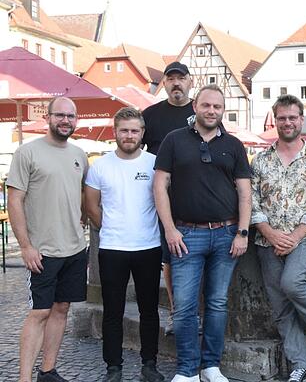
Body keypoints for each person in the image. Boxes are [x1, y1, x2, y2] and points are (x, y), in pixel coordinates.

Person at [153, 85, 252, 382]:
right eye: (206, 106)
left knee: (218, 303)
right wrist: (170, 229)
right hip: (185, 235)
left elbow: (245, 192)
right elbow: (160, 186)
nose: (211, 111)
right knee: (184, 306)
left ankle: (211, 367)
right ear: (195, 106)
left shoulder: (233, 145)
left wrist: (243, 233)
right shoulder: (174, 141)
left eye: (217, 107)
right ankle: (186, 370)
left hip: (226, 234)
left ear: (223, 110)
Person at [251, 94, 306, 382]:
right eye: (282, 117)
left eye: (292, 117)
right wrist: (271, 235)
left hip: (305, 237)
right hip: (267, 241)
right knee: (280, 306)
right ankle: (301, 364)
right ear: (275, 120)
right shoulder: (260, 161)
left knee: (292, 282)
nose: (287, 122)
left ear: (301, 120)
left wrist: (294, 237)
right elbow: (252, 202)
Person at [7, 97, 89, 382]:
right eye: (60, 115)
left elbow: (80, 196)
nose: (65, 120)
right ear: (48, 118)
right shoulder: (27, 153)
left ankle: (48, 371)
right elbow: (14, 201)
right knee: (39, 312)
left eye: (71, 116)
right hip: (42, 251)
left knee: (62, 308)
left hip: (75, 248)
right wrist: (26, 247)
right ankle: (24, 379)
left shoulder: (80, 154)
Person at [84, 107, 165, 382]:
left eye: (134, 130)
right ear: (115, 132)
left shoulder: (154, 163)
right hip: (112, 248)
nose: (129, 135)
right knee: (112, 312)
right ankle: (113, 368)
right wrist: (109, 227)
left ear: (142, 133)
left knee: (149, 310)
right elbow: (91, 206)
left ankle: (149, 364)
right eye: (124, 130)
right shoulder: (100, 166)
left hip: (148, 246)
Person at [142, 61, 195, 335]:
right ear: (163, 83)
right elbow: (134, 152)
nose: (176, 83)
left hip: (196, 197)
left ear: (190, 82)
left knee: (197, 257)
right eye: (170, 78)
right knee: (170, 258)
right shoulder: (150, 115)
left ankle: (195, 313)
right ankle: (177, 313)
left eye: (181, 78)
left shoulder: (202, 110)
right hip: (160, 198)